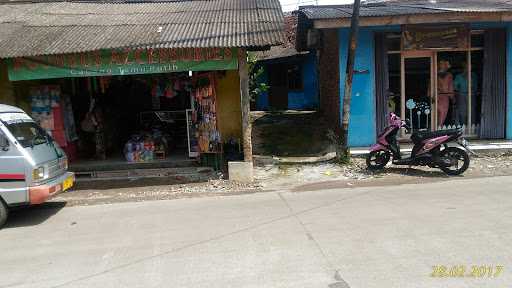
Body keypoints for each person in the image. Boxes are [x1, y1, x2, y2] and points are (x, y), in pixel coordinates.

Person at [454, 61, 478, 126]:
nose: (468, 67)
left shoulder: (474, 75)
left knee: (472, 112)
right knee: (462, 112)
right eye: (466, 65)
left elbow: (475, 87)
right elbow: (455, 87)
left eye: (470, 65)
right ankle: (463, 127)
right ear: (463, 66)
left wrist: (473, 92)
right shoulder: (458, 76)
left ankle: (472, 127)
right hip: (462, 95)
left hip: (472, 95)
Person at [436, 60, 455, 127]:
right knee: (438, 113)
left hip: (444, 96)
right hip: (437, 96)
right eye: (440, 64)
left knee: (443, 113)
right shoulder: (435, 73)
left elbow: (451, 86)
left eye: (443, 64)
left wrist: (452, 96)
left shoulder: (449, 75)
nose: (441, 65)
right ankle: (438, 127)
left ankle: (439, 127)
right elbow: (431, 85)